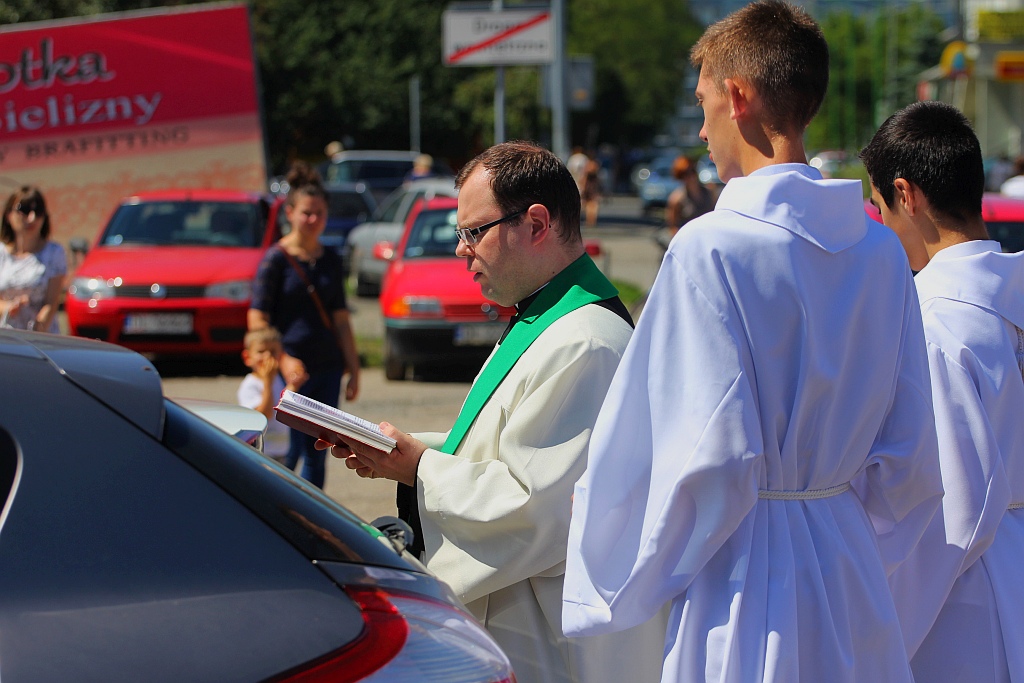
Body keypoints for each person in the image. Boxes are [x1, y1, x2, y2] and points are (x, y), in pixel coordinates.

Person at [561, 2, 942, 681]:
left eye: (703, 102)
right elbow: (910, 455)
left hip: (745, 575)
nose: (702, 128)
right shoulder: (883, 252)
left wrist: (618, 573)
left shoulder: (708, 249)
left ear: (737, 97)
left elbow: (697, 456)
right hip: (850, 568)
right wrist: (852, 539)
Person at [324, 141, 668, 683]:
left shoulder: (585, 342)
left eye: (472, 231)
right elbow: (509, 446)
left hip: (541, 632)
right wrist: (405, 452)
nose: (461, 250)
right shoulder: (548, 316)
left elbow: (536, 507)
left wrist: (418, 467)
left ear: (535, 224)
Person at [861, 101, 1024, 682]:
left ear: (907, 195)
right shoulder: (1010, 294)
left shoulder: (935, 322)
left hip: (962, 602)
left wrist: (873, 635)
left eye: (880, 207)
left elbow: (952, 508)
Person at [248, 161, 360, 488]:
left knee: (318, 451)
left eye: (320, 214)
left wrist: (354, 367)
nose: (313, 220)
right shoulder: (275, 260)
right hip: (289, 370)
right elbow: (257, 318)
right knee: (288, 450)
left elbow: (340, 317)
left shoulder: (330, 259)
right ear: (290, 213)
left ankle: (314, 522)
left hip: (327, 368)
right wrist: (281, 358)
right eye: (307, 213)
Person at [0, 186, 66, 332]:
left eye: (38, 211)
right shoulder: (1, 254)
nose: (32, 218)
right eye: (24, 209)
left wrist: (36, 332)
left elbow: (52, 302)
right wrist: (9, 307)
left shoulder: (54, 252)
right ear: (8, 214)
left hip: (40, 340)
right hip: (5, 338)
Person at [237, 326, 302, 465]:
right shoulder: (250, 385)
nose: (268, 356)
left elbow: (281, 405)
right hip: (261, 453)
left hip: (281, 452)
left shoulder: (277, 379)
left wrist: (294, 386)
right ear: (248, 357)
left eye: (273, 351)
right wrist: (267, 383)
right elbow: (264, 415)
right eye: (261, 351)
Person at [656, 155, 718, 251]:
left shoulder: (710, 191)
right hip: (690, 244)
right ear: (680, 177)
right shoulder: (676, 199)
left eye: (692, 171)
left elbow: (717, 215)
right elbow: (673, 227)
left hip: (709, 240)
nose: (691, 176)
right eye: (686, 174)